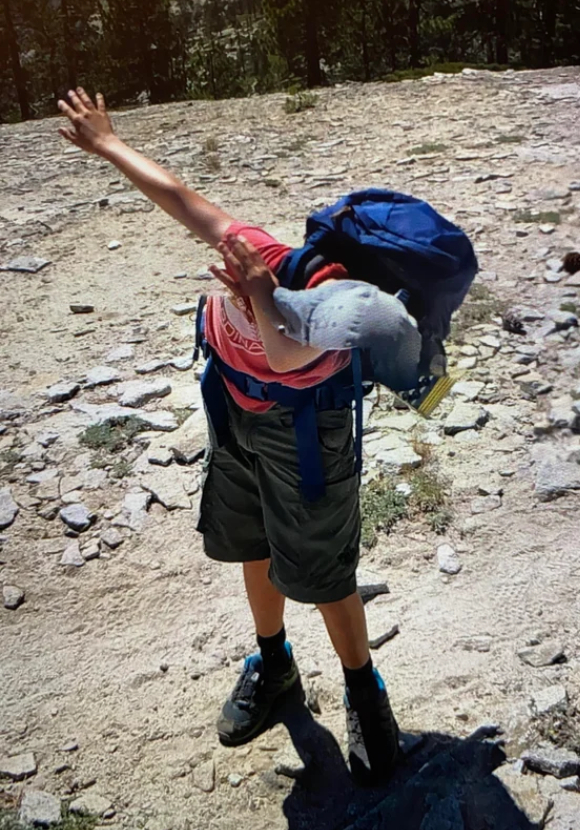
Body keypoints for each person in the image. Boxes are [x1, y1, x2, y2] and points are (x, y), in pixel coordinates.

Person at [56, 88, 401, 786]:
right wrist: (108, 142)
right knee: (250, 540)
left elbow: (280, 356)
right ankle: (274, 667)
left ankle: (365, 691)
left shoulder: (332, 316)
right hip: (235, 413)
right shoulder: (266, 252)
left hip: (305, 437)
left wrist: (263, 297)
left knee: (323, 569)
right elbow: (182, 198)